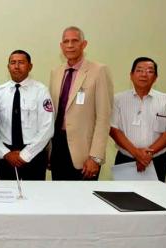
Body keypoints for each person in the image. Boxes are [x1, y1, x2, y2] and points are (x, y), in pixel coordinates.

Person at [49, 26, 114, 180]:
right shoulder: (56, 72)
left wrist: (95, 157)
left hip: (85, 154)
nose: (70, 45)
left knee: (83, 201)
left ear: (84, 44)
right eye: (66, 41)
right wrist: (49, 151)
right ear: (61, 46)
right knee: (58, 199)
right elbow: (52, 114)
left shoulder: (98, 71)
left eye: (74, 41)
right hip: (58, 146)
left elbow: (104, 118)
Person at [0, 50, 54, 180]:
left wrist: (26, 154)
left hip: (34, 155)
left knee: (35, 197)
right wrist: (4, 153)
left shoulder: (41, 91)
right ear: (8, 67)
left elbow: (47, 128)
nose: (16, 66)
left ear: (30, 66)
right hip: (7, 156)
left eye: (21, 62)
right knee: (6, 197)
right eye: (13, 62)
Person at [110, 57, 166, 182]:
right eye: (139, 70)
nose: (144, 74)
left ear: (155, 77)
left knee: (154, 198)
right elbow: (113, 129)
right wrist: (137, 153)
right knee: (123, 198)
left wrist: (147, 155)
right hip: (125, 159)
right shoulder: (118, 99)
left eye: (150, 71)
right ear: (131, 75)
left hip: (157, 160)